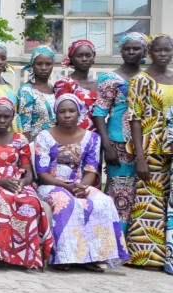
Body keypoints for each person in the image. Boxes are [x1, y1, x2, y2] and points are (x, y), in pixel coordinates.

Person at [34, 93, 127, 271]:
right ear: (56, 114)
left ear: (79, 113)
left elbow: (91, 169)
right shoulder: (44, 136)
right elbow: (42, 172)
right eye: (62, 111)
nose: (67, 115)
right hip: (51, 185)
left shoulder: (92, 138)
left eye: (71, 111)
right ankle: (64, 257)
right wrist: (66, 187)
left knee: (102, 201)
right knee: (65, 202)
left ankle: (92, 256)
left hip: (80, 184)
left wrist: (83, 187)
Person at [0, 96, 53, 270]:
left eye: (7, 117)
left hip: (17, 183)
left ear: (12, 118)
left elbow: (27, 172)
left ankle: (27, 256)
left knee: (31, 202)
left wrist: (22, 183)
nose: (2, 120)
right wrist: (1, 182)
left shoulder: (20, 140)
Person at [127, 34, 173, 270]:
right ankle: (144, 257)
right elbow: (134, 118)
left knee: (169, 204)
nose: (163, 54)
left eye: (168, 50)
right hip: (151, 147)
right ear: (150, 52)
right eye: (159, 50)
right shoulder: (141, 80)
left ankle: (168, 257)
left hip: (171, 150)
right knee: (149, 201)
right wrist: (140, 156)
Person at [94, 33, 148, 232]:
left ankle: (134, 246)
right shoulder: (110, 78)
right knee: (119, 192)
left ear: (145, 51)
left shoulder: (147, 78)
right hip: (118, 142)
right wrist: (107, 145)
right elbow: (99, 113)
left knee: (140, 193)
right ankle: (114, 242)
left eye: (136, 48)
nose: (132, 52)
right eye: (128, 48)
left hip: (146, 143)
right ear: (121, 51)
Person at [54, 39, 98, 130]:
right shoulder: (64, 84)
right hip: (72, 137)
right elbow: (61, 115)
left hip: (96, 137)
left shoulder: (100, 84)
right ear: (72, 59)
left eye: (88, 55)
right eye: (79, 56)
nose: (84, 59)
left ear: (93, 58)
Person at [17, 45, 56, 141]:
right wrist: (27, 151)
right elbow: (24, 126)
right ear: (32, 65)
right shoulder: (27, 91)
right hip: (36, 145)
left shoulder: (54, 88)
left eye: (48, 64)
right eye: (39, 64)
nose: (44, 67)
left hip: (55, 143)